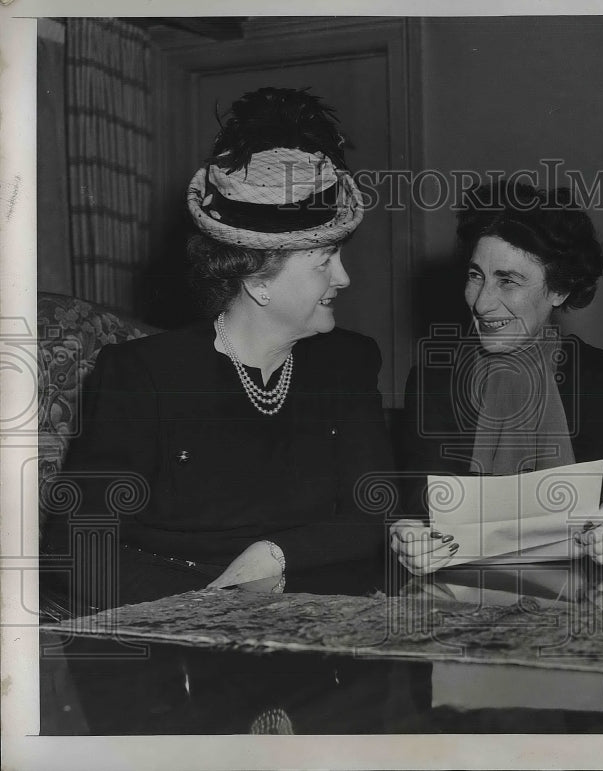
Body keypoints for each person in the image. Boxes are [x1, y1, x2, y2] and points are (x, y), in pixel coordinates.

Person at [42, 88, 394, 609]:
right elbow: (78, 546)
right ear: (258, 280)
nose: (343, 278)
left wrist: (276, 555)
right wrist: (215, 602)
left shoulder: (349, 362)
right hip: (174, 631)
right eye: (324, 261)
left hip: (313, 617)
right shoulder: (142, 376)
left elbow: (374, 515)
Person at [391, 181, 603, 575]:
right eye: (475, 276)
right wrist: (408, 537)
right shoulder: (434, 376)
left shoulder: (596, 375)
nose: (483, 302)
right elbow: (417, 511)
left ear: (559, 289)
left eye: (508, 280)